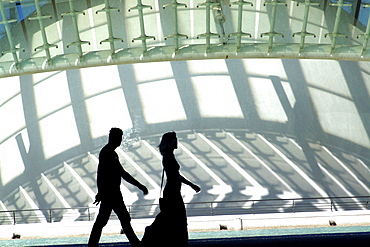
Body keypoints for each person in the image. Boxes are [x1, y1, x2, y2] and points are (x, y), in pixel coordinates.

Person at [88, 128, 148, 247]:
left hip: (112, 193)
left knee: (114, 219)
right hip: (111, 193)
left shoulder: (110, 152)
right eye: (119, 137)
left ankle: (93, 244)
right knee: (115, 219)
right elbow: (104, 173)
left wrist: (101, 191)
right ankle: (135, 243)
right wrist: (139, 185)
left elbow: (116, 172)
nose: (120, 140)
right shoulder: (107, 152)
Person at [142, 131, 201, 247]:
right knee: (178, 218)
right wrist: (191, 185)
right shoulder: (168, 156)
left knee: (167, 216)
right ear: (172, 141)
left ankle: (153, 233)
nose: (177, 141)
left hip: (171, 191)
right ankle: (177, 241)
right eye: (175, 139)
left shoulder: (167, 155)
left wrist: (190, 184)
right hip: (173, 192)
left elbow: (175, 174)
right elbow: (175, 175)